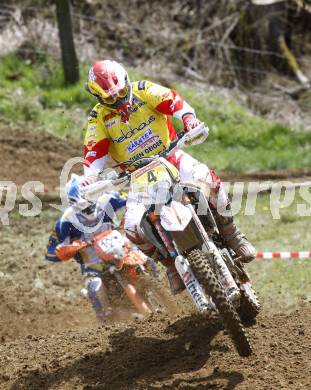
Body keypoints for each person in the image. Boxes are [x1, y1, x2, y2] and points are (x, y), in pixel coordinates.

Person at [83, 60, 256, 294]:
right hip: (138, 176)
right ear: (98, 97)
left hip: (171, 157)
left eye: (122, 92)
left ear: (126, 80)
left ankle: (233, 235)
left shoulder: (144, 90)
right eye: (110, 98)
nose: (119, 100)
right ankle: (171, 265)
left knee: (208, 182)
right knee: (133, 228)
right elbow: (94, 152)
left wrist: (188, 118)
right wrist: (90, 177)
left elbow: (174, 101)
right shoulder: (98, 118)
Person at [45, 174, 127, 321]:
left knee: (144, 258)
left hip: (120, 249)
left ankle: (162, 281)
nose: (89, 210)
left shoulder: (107, 199)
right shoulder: (67, 219)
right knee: (95, 288)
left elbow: (131, 201)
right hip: (94, 266)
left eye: (90, 204)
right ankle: (106, 324)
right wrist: (67, 249)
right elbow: (52, 250)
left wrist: (128, 217)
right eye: (83, 207)